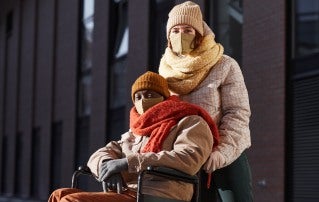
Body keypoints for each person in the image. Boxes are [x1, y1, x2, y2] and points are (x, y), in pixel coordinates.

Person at [48, 71, 219, 202]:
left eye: (150, 95)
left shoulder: (189, 121)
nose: (143, 101)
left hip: (161, 192)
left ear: (165, 98)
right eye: (138, 97)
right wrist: (107, 166)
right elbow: (101, 153)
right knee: (59, 195)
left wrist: (128, 163)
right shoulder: (135, 132)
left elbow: (189, 158)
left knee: (72, 201)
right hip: (128, 191)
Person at [158, 1, 253, 201]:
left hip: (224, 155)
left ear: (200, 34)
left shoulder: (224, 65)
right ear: (168, 36)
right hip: (187, 158)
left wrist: (222, 152)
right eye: (175, 30)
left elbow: (238, 112)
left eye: (188, 29)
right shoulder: (165, 73)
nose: (180, 35)